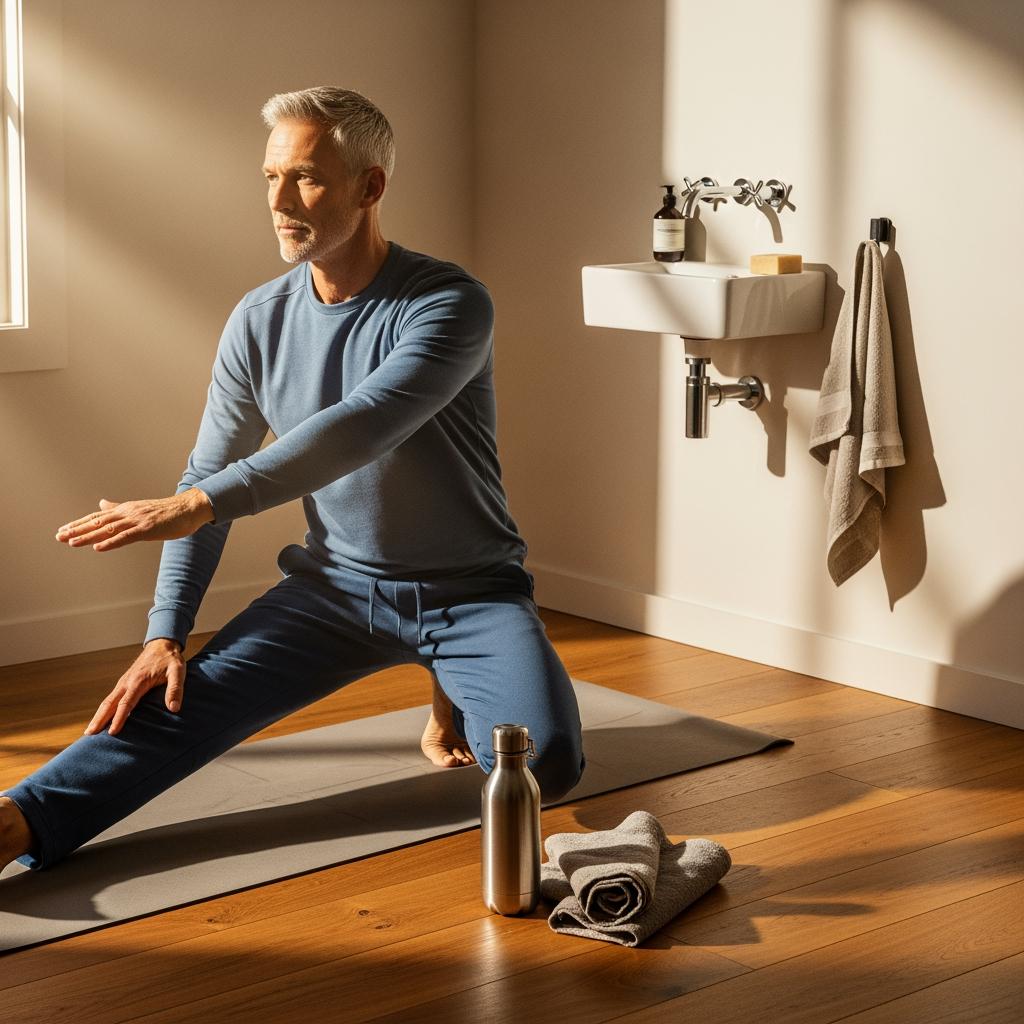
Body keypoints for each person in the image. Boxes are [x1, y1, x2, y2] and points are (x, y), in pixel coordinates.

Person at [0, 87, 585, 873]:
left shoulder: (448, 304)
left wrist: (196, 503)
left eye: (305, 178)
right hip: (333, 593)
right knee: (172, 697)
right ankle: (15, 823)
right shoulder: (259, 319)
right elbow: (207, 472)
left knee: (546, 764)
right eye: (271, 177)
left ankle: (448, 680)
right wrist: (164, 632)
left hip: (470, 593)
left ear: (370, 187)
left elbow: (358, 427)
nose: (278, 202)